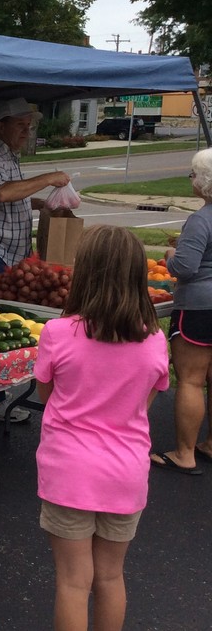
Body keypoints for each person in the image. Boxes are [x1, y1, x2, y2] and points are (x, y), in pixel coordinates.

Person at [34, 224, 168, 631]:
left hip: (69, 471)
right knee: (110, 577)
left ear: (85, 272)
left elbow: (46, 396)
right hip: (125, 473)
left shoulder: (58, 333)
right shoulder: (155, 341)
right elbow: (142, 403)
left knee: (74, 582)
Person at [0, 97, 70, 423]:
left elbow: (13, 196)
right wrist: (48, 179)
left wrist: (39, 204)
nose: (26, 130)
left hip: (2, 254)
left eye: (28, 124)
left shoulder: (7, 156)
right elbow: (3, 193)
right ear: (0, 125)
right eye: (20, 125)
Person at [150, 148, 212, 475]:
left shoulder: (201, 219)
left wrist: (171, 255)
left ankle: (185, 453)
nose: (191, 180)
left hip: (200, 307)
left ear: (203, 183)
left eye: (193, 175)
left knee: (191, 380)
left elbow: (185, 268)